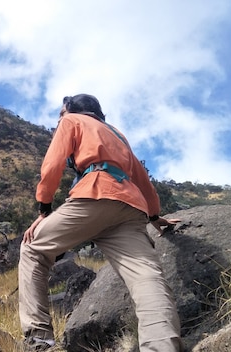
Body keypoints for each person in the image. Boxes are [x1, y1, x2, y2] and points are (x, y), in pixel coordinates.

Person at [19, 94, 182, 351]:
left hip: (95, 193)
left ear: (72, 110)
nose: (60, 117)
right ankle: (162, 346)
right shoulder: (116, 134)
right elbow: (142, 178)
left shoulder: (71, 120)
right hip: (130, 208)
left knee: (32, 249)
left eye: (62, 112)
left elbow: (52, 165)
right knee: (146, 278)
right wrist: (153, 216)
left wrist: (44, 209)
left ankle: (39, 338)